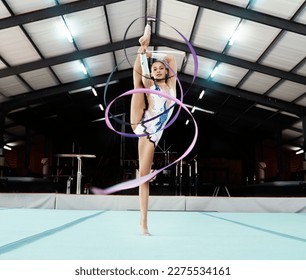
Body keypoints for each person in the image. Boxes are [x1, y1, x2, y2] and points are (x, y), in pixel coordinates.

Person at [130, 24, 177, 235]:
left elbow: (172, 59)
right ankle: (143, 223)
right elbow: (142, 69)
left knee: (145, 174)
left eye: (161, 68)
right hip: (143, 126)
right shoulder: (151, 84)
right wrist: (146, 53)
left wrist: (153, 55)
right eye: (155, 68)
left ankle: (144, 45)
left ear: (167, 72)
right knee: (138, 83)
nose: (158, 69)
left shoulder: (172, 86)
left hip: (156, 133)